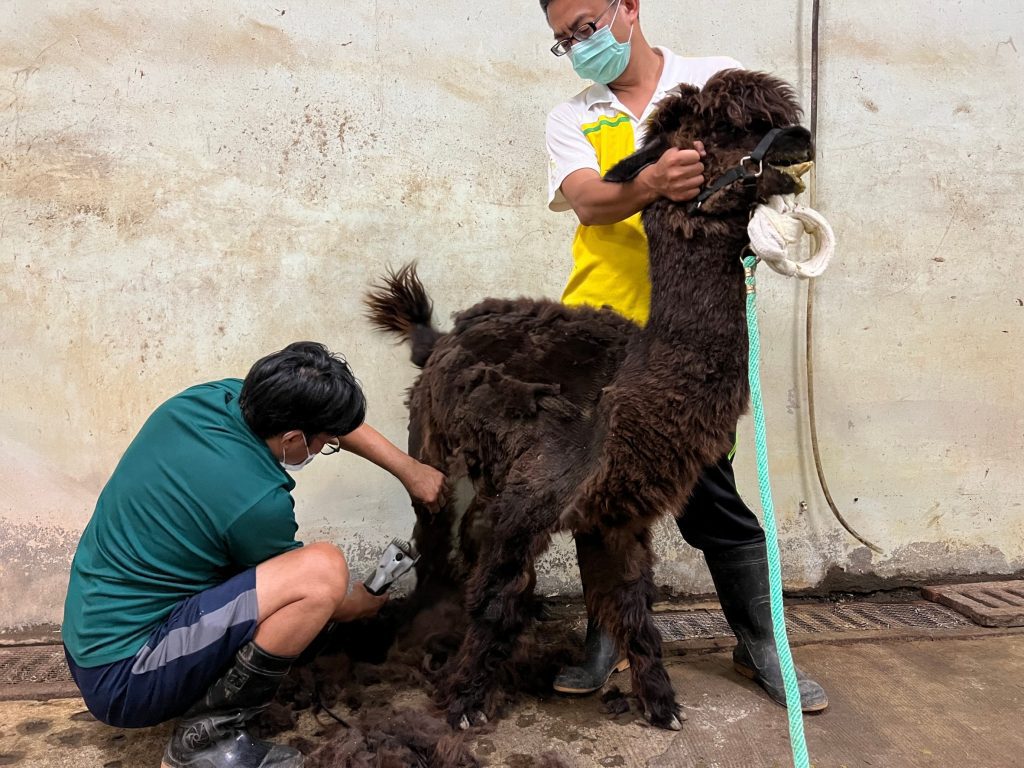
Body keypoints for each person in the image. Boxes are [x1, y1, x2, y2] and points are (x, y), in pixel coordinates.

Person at [540, 0, 828, 712]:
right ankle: (606, 636)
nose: (580, 44)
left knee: (709, 492)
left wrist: (773, 217)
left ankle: (762, 642)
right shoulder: (573, 116)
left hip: (690, 340)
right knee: (600, 490)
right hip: (602, 322)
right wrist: (648, 184)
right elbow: (588, 202)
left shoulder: (718, 84)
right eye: (564, 39)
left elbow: (783, 162)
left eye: (586, 25)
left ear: (628, 8)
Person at [62, 341, 447, 768]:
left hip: (87, 642)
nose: (325, 448)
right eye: (325, 443)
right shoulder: (258, 503)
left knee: (285, 576)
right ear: (293, 438)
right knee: (322, 572)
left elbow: (326, 417)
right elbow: (308, 589)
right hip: (126, 677)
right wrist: (357, 603)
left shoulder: (208, 400)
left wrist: (410, 471)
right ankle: (203, 740)